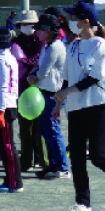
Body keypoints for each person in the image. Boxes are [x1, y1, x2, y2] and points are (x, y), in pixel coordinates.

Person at [55, 1, 105, 211]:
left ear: (85, 21)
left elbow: (95, 77)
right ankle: (82, 203)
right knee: (77, 157)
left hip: (99, 106)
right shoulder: (72, 46)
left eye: (73, 18)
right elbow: (66, 77)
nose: (70, 22)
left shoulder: (100, 45)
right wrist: (58, 102)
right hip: (76, 108)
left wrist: (67, 92)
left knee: (98, 155)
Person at [28, 13, 71, 180]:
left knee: (52, 130)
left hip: (51, 94)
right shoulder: (48, 46)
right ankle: (54, 164)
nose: (37, 32)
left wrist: (32, 77)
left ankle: (62, 166)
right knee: (46, 130)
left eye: (40, 29)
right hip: (44, 92)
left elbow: (43, 71)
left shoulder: (55, 47)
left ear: (49, 31)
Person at [0, 26, 23, 193]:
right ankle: (10, 178)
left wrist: (0, 110)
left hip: (4, 107)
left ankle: (15, 182)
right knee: (4, 144)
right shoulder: (8, 57)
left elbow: (4, 86)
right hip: (4, 105)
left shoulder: (2, 59)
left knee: (7, 145)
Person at [12, 11, 46, 172]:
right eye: (25, 24)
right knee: (25, 127)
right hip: (21, 87)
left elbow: (39, 61)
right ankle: (27, 160)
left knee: (40, 126)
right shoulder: (15, 42)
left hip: (39, 87)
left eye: (32, 24)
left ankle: (42, 158)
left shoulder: (41, 41)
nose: (29, 27)